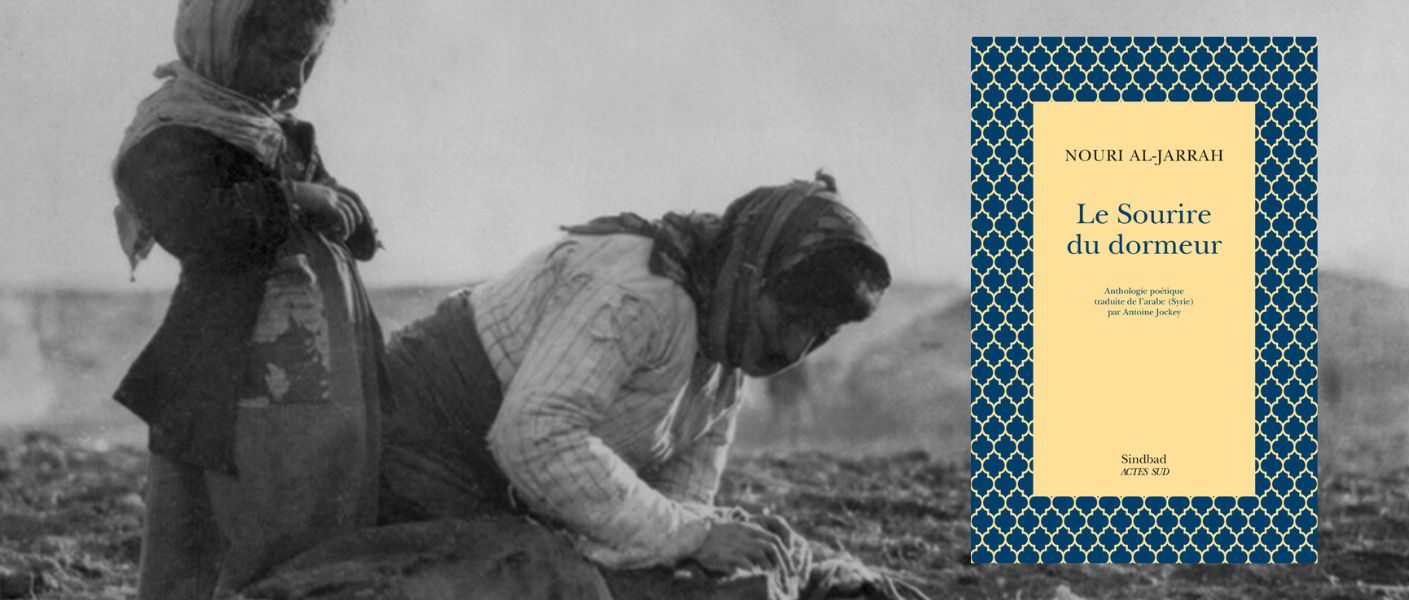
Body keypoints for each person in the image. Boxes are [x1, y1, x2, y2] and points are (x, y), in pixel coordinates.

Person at [239, 173, 916, 600]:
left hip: (518, 491)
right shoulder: (639, 293)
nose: (795, 348)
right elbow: (533, 436)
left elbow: (671, 508)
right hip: (416, 458)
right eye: (792, 317)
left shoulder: (723, 364)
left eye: (821, 335)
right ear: (749, 274)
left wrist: (700, 545)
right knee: (545, 577)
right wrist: (688, 537)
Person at [107, 1, 385, 597]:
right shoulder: (169, 135)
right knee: (218, 530)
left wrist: (351, 215)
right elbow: (201, 229)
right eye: (282, 56)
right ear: (222, 43)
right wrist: (296, 199)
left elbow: (337, 206)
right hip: (230, 374)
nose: (297, 77)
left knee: (310, 515)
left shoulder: (276, 132)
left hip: (306, 377)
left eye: (309, 60)